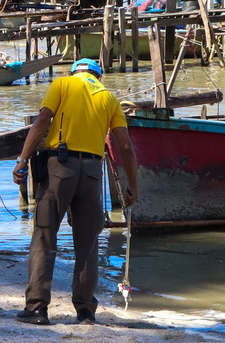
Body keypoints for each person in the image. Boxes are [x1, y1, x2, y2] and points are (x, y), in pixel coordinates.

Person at [12, 58, 138, 325]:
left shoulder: (62, 84)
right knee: (88, 243)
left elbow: (43, 121)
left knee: (45, 235)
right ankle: (85, 311)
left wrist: (22, 159)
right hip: (92, 172)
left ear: (74, 72)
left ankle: (37, 308)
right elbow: (125, 147)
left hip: (61, 167)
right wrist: (132, 186)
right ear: (98, 76)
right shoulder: (109, 98)